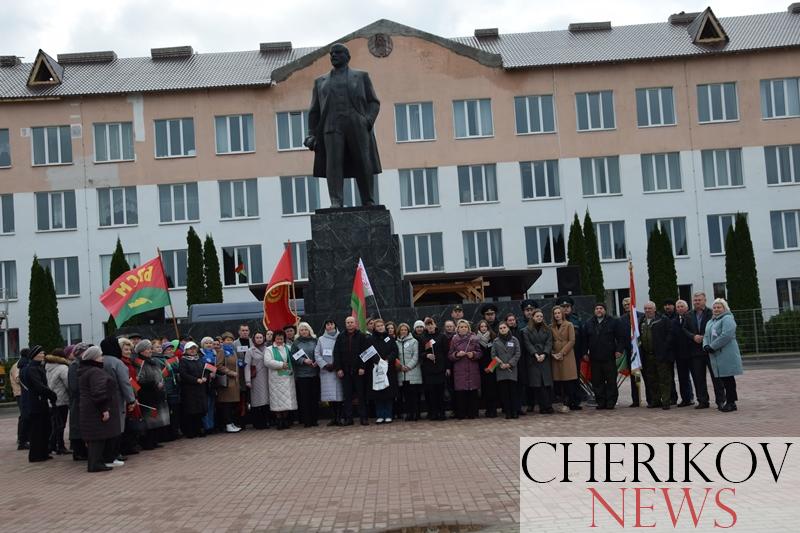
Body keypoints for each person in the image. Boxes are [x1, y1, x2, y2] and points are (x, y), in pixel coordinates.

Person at [304, 42, 381, 207]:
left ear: (347, 57)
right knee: (333, 164)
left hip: (357, 124)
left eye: (338, 53)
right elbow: (314, 110)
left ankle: (368, 200)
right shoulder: (320, 82)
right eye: (331, 53)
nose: (333, 56)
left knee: (363, 161)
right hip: (331, 126)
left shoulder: (361, 77)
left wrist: (367, 120)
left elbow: (374, 102)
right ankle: (336, 202)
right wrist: (311, 134)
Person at [78, 346, 121, 473]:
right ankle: (95, 464)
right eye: (100, 355)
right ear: (94, 358)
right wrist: (104, 409)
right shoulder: (95, 372)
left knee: (95, 437)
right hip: (95, 409)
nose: (102, 358)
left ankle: (96, 462)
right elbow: (99, 392)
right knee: (98, 437)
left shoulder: (86, 370)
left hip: (89, 408)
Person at [682, 291, 725, 409]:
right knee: (698, 377)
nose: (697, 302)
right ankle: (703, 401)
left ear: (705, 300)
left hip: (710, 350)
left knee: (716, 377)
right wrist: (693, 336)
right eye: (695, 300)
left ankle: (720, 401)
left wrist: (704, 337)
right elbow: (684, 329)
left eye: (699, 300)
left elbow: (717, 328)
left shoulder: (712, 313)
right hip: (695, 351)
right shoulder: (688, 314)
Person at [99, 336, 135, 465]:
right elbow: (125, 383)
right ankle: (112, 455)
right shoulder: (117, 363)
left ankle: (105, 455)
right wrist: (131, 400)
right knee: (117, 427)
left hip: (101, 398)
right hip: (116, 399)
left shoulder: (100, 360)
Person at [703, 298, 743, 413]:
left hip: (726, 354)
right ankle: (728, 401)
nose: (716, 309)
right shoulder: (711, 321)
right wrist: (706, 345)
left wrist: (712, 346)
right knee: (723, 379)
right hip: (716, 354)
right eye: (714, 307)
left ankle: (731, 402)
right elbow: (706, 335)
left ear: (724, 308)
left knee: (728, 378)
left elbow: (727, 335)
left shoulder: (728, 318)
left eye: (719, 307)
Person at [583, 303, 624, 410]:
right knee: (597, 381)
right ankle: (600, 402)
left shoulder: (614, 321)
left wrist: (619, 350)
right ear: (594, 311)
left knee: (611, 381)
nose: (599, 310)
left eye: (601, 308)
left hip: (609, 357)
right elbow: (584, 340)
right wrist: (584, 353)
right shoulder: (588, 323)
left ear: (605, 310)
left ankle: (611, 402)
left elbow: (620, 337)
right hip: (595, 358)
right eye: (596, 308)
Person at [20, 345, 57, 462]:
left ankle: (43, 452)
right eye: (41, 353)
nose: (43, 355)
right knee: (37, 430)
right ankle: (36, 455)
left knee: (45, 428)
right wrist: (51, 394)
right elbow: (39, 386)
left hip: (41, 402)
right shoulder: (31, 369)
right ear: (34, 355)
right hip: (36, 403)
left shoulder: (38, 367)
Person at [333, 316, 370, 426]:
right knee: (347, 396)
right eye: (347, 322)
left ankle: (363, 418)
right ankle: (349, 418)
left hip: (359, 371)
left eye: (351, 322)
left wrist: (362, 367)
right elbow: (336, 354)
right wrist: (338, 368)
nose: (349, 324)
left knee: (361, 395)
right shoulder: (340, 337)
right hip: (345, 371)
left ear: (356, 324)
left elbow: (366, 352)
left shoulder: (362, 336)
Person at [134, 340, 171, 446]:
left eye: (150, 348)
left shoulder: (153, 361)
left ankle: (155, 440)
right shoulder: (139, 362)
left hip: (157, 394)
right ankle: (148, 442)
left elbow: (159, 374)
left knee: (156, 418)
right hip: (147, 394)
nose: (150, 351)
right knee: (149, 419)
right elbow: (140, 380)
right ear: (141, 351)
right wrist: (154, 384)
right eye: (148, 349)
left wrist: (161, 379)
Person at [639, 302, 674, 410]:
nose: (647, 310)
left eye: (649, 308)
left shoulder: (663, 319)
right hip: (647, 355)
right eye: (645, 308)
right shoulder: (641, 321)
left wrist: (664, 349)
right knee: (651, 379)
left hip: (661, 355)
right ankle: (655, 400)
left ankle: (666, 401)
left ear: (654, 309)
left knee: (664, 379)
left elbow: (670, 335)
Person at [448, 319, 481, 419]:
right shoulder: (454, 339)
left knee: (472, 392)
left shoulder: (474, 338)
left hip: (472, 369)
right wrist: (457, 354)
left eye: (465, 327)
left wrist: (474, 354)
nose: (463, 328)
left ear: (468, 328)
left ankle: (473, 413)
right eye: (461, 327)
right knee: (461, 393)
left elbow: (480, 352)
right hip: (460, 370)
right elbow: (450, 355)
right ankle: (461, 413)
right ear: (458, 329)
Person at [264, 330, 298, 429]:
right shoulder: (269, 349)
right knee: (277, 401)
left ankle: (285, 420)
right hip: (276, 379)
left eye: (281, 338)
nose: (279, 340)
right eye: (278, 338)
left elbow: (295, 357)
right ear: (274, 338)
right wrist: (281, 364)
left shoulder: (289, 347)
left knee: (287, 401)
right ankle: (279, 421)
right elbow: (267, 362)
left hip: (288, 378)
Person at [523, 309, 554, 414]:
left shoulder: (547, 329)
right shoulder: (526, 330)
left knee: (547, 383)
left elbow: (549, 342)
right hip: (533, 359)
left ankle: (549, 406)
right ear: (533, 317)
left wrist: (545, 354)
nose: (539, 318)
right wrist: (535, 354)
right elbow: (528, 344)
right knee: (538, 384)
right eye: (537, 316)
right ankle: (542, 406)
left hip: (545, 358)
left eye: (541, 316)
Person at [291, 322, 320, 428]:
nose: (303, 331)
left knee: (314, 398)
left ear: (309, 330)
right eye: (301, 330)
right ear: (299, 332)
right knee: (305, 399)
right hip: (302, 375)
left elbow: (319, 353)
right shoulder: (296, 343)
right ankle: (306, 420)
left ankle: (314, 420)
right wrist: (303, 360)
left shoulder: (315, 341)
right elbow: (293, 357)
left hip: (314, 373)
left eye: (305, 329)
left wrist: (318, 361)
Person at [119, 337, 145, 454]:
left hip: (133, 394)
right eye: (126, 350)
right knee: (128, 422)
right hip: (126, 397)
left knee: (132, 421)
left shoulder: (129, 363)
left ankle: (131, 444)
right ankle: (126, 446)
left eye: (130, 349)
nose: (129, 352)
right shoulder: (121, 363)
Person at [619, 297, 647, 407]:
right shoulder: (621, 319)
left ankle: (652, 399)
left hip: (643, 351)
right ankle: (636, 400)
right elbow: (621, 336)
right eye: (625, 305)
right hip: (631, 352)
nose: (627, 306)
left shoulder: (641, 316)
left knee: (647, 376)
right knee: (635, 377)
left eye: (628, 304)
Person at [315, 319, 343, 426]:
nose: (330, 326)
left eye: (332, 324)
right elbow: (317, 354)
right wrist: (325, 365)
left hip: (338, 370)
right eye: (327, 324)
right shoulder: (321, 339)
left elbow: (343, 353)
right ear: (325, 327)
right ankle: (333, 418)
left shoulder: (341, 337)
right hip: (326, 371)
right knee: (330, 396)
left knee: (339, 395)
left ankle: (339, 417)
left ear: (335, 326)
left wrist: (337, 365)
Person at [370, 319, 398, 423]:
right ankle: (380, 415)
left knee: (388, 393)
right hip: (376, 369)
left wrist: (387, 359)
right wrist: (378, 361)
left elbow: (395, 351)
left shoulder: (390, 338)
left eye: (382, 325)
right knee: (378, 393)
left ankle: (388, 415)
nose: (380, 327)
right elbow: (369, 352)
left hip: (388, 369)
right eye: (378, 326)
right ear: (375, 328)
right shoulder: (371, 339)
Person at [420, 317, 449, 421]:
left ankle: (442, 413)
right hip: (429, 370)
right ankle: (433, 412)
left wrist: (447, 367)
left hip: (440, 368)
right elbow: (420, 353)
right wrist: (426, 355)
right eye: (428, 325)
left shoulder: (442, 337)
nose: (430, 327)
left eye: (431, 324)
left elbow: (447, 353)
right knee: (431, 393)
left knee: (440, 393)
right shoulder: (423, 338)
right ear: (426, 327)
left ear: (435, 325)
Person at [551, 306, 578, 413]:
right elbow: (550, 341)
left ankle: (568, 403)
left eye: (559, 313)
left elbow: (572, 340)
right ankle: (561, 402)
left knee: (568, 381)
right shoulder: (551, 327)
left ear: (562, 314)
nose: (557, 315)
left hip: (567, 355)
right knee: (559, 381)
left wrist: (562, 353)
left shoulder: (569, 325)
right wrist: (553, 353)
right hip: (555, 356)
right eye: (555, 313)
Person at [559, 297, 585, 410]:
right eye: (563, 307)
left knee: (575, 378)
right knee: (564, 380)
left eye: (567, 307)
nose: (565, 309)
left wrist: (584, 352)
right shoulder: (556, 322)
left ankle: (576, 401)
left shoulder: (576, 321)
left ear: (571, 308)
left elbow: (583, 338)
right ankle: (566, 401)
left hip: (575, 354)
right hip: (562, 355)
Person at [178, 342, 209, 438]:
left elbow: (206, 370)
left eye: (194, 348)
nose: (192, 350)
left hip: (200, 389)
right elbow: (184, 374)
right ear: (186, 350)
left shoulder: (200, 359)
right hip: (189, 389)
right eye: (190, 349)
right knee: (191, 411)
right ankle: (191, 431)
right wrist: (195, 380)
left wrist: (205, 377)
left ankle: (200, 429)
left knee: (200, 411)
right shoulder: (183, 361)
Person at [492, 322, 521, 419]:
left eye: (504, 327)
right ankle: (508, 412)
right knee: (504, 393)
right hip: (501, 371)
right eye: (500, 328)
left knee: (513, 392)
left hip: (512, 369)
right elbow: (493, 355)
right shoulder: (495, 341)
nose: (503, 329)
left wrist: (510, 363)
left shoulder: (514, 340)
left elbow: (517, 353)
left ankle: (515, 411)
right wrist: (500, 364)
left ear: (508, 328)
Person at [46, 347, 72, 455]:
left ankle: (53, 445)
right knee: (61, 425)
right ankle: (59, 446)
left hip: (51, 400)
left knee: (55, 424)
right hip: (62, 399)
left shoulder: (47, 367)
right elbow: (68, 384)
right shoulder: (63, 368)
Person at [216, 333, 242, 433]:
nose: (229, 341)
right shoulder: (222, 351)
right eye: (227, 340)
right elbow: (218, 365)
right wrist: (230, 372)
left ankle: (231, 423)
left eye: (231, 339)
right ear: (223, 341)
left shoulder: (233, 351)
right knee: (226, 405)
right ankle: (227, 424)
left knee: (231, 405)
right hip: (226, 382)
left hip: (234, 382)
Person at [67, 344, 90, 460]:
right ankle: (78, 452)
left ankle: (83, 450)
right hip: (77, 401)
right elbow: (74, 386)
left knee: (83, 425)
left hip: (83, 400)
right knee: (77, 426)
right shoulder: (74, 365)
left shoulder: (83, 364)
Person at [244, 331, 270, 429]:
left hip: (267, 377)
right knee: (257, 402)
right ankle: (257, 423)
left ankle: (266, 421)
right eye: (257, 337)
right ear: (254, 339)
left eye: (261, 337)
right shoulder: (250, 351)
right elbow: (247, 366)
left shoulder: (268, 349)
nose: (259, 339)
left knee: (266, 401)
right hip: (256, 379)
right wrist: (247, 381)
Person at [396, 322, 421, 421]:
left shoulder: (414, 341)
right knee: (406, 395)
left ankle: (415, 414)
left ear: (408, 331)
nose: (403, 331)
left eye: (405, 330)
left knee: (413, 395)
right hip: (402, 372)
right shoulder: (396, 342)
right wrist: (400, 366)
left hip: (412, 372)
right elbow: (396, 357)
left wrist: (408, 366)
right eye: (402, 330)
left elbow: (416, 356)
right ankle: (409, 414)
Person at [672, 300, 695, 407]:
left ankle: (699, 398)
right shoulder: (673, 321)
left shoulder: (692, 318)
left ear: (686, 308)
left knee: (696, 377)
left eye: (682, 306)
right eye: (678, 307)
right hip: (680, 354)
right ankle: (686, 398)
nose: (680, 308)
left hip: (692, 353)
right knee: (682, 378)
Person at [506, 310, 529, 416]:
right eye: (509, 320)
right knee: (511, 387)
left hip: (520, 363)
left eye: (513, 320)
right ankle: (510, 408)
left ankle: (518, 407)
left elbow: (524, 347)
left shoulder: (521, 332)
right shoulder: (503, 333)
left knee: (520, 387)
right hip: (508, 365)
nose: (511, 322)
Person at [476, 319, 498, 418]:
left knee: (493, 390)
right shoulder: (475, 340)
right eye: (482, 327)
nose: (484, 328)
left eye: (485, 326)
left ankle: (493, 410)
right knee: (484, 390)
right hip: (481, 368)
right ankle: (487, 410)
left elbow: (497, 354)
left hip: (492, 368)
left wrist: (491, 367)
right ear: (479, 328)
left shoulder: (493, 338)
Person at [10, 350, 31, 450]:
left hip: (23, 393)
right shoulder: (17, 365)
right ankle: (21, 438)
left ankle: (24, 437)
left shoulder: (23, 364)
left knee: (24, 415)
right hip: (20, 393)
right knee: (24, 416)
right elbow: (18, 379)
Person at [233, 324, 252, 430]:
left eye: (246, 330)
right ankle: (241, 421)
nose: (245, 332)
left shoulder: (252, 342)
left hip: (252, 374)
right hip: (240, 375)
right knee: (241, 398)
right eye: (243, 330)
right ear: (239, 332)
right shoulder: (235, 344)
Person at [200, 336, 218, 433]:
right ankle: (206, 426)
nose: (208, 345)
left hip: (213, 383)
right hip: (204, 383)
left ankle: (211, 425)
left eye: (210, 343)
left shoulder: (214, 354)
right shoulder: (200, 354)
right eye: (206, 343)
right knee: (205, 405)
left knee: (212, 405)